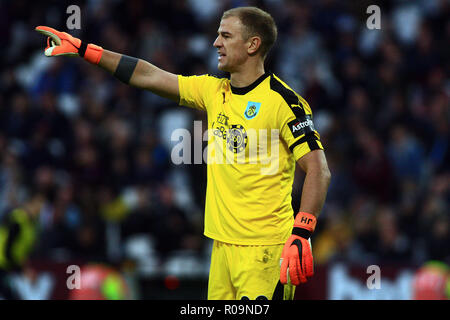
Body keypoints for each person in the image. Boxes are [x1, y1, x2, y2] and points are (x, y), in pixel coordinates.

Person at [35, 6, 331, 300]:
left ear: (253, 45)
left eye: (226, 36)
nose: (216, 43)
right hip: (221, 250)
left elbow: (318, 169)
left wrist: (302, 231)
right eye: (217, 35)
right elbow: (148, 75)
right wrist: (85, 49)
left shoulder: (283, 102)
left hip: (264, 252)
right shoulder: (213, 91)